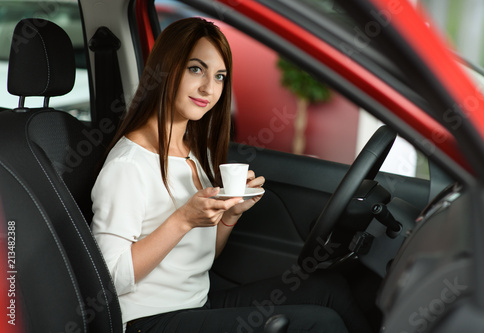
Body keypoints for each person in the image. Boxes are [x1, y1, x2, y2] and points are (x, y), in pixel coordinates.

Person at [91, 17, 363, 333]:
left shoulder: (193, 153)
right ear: (165, 70)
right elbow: (107, 280)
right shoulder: (129, 166)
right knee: (321, 323)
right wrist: (182, 220)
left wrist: (230, 215)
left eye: (219, 76)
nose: (209, 87)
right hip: (148, 322)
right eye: (196, 69)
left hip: (195, 305)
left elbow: (199, 255)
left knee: (330, 290)